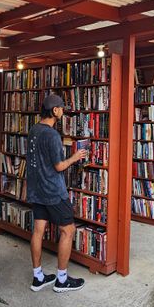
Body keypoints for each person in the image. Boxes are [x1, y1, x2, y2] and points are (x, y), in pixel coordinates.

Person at [27, 94, 88, 293]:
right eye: (62, 108)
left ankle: (38, 277)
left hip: (36, 190)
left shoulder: (34, 130)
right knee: (68, 230)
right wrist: (75, 157)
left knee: (38, 231)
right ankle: (62, 280)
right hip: (53, 191)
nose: (63, 111)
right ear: (55, 111)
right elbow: (59, 166)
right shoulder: (52, 135)